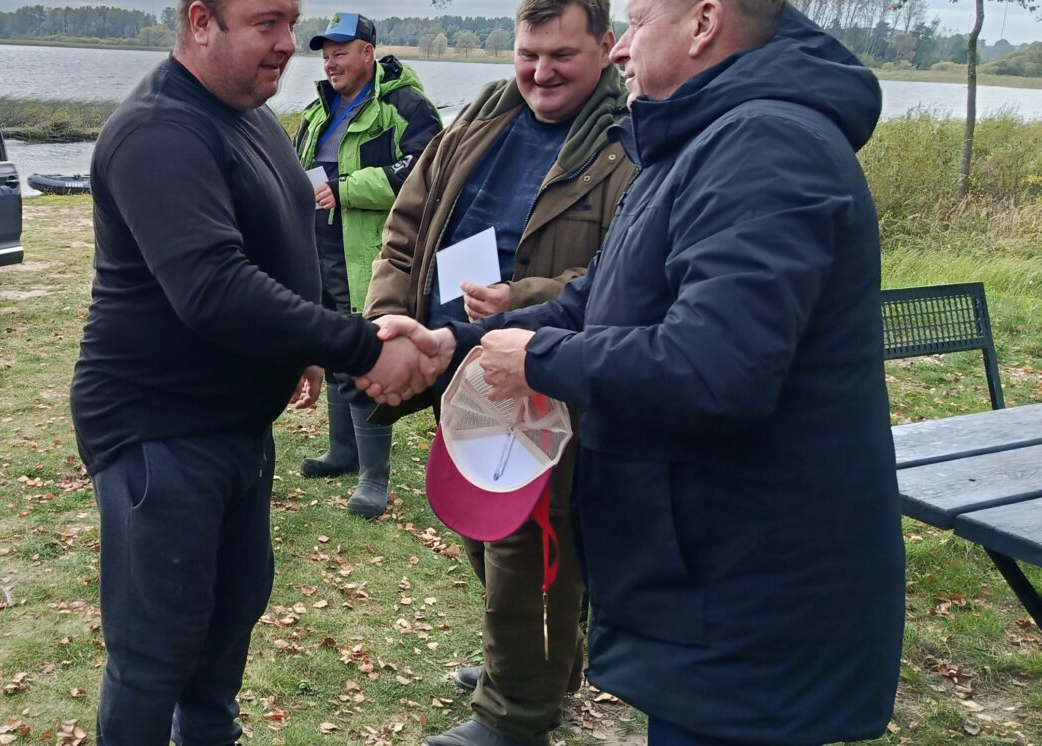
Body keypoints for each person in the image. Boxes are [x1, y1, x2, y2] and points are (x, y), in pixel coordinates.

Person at [368, 0, 906, 743]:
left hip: (749, 585)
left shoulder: (765, 147)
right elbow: (594, 301)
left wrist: (539, 360)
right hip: (701, 574)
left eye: (639, 20)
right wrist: (453, 343)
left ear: (704, 22)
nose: (620, 50)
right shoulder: (696, 139)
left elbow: (715, 368)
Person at [68, 0, 440, 743]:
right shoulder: (159, 132)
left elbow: (275, 237)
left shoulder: (249, 114)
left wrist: (300, 346)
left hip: (235, 424)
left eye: (291, 21)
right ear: (202, 22)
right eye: (266, 23)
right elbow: (213, 285)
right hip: (159, 427)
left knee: (231, 613)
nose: (288, 44)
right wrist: (362, 348)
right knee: (156, 649)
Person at [362, 1, 635, 744]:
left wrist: (525, 298)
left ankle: (514, 711)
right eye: (528, 54)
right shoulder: (481, 117)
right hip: (453, 358)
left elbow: (624, 277)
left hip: (545, 370)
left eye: (562, 56)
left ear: (606, 46)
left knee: (529, 537)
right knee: (481, 525)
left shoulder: (626, 143)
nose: (540, 73)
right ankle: (538, 665)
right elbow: (405, 231)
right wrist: (388, 325)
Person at [294, 12, 442, 519]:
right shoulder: (318, 110)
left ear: (368, 53)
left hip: (372, 257)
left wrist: (345, 189)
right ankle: (343, 451)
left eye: (340, 52)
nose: (330, 62)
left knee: (364, 355)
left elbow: (426, 172)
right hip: (320, 250)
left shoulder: (406, 105)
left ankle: (374, 479)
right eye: (325, 54)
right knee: (333, 347)